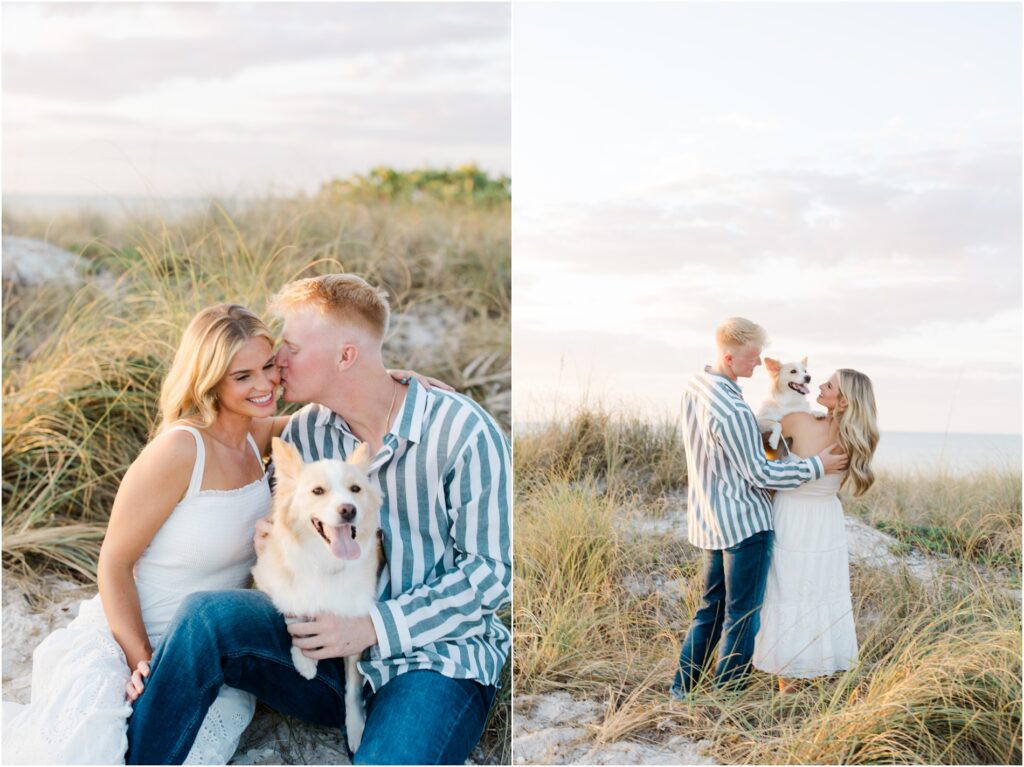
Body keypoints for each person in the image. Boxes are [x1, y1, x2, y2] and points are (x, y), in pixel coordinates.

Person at [125, 274, 512, 765]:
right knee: (208, 616)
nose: (277, 362)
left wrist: (374, 625)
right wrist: (276, 538)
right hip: (321, 652)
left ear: (345, 357)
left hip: (434, 662)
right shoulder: (308, 431)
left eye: (290, 346)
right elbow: (264, 489)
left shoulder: (462, 432)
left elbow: (493, 576)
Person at [2, 304, 278, 764]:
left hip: (207, 653)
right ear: (210, 378)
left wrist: (394, 378)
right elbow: (113, 562)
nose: (265, 385)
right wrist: (140, 658)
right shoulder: (179, 449)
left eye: (268, 366)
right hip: (128, 639)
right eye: (243, 376)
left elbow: (332, 415)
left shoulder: (258, 435)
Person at [670, 318, 849, 699]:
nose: (758, 366)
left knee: (710, 609)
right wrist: (817, 466)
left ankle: (682, 689)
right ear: (730, 356)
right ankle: (727, 697)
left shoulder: (696, 387)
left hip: (709, 517)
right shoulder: (732, 410)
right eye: (752, 359)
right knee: (742, 616)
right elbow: (761, 474)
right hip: (744, 524)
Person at [753, 369, 878, 692]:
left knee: (793, 590)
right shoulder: (858, 438)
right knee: (815, 592)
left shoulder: (799, 421)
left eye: (829, 385)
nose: (819, 385)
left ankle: (790, 681)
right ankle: (813, 671)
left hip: (794, 515)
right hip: (824, 518)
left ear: (844, 399)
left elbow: (763, 456)